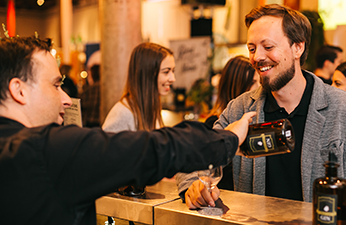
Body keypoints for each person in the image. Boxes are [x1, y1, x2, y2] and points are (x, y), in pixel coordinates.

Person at [0, 36, 255, 225]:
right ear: (19, 90)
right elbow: (154, 148)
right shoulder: (44, 149)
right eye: (56, 85)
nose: (66, 99)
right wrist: (228, 138)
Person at [176, 4, 346, 209]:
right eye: (252, 48)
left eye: (268, 47)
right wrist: (193, 185)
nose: (257, 57)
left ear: (298, 48)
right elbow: (196, 157)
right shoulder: (239, 109)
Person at [102, 42, 176, 193]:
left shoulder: (150, 108)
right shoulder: (124, 113)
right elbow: (105, 166)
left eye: (173, 71)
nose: (172, 78)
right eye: (166, 71)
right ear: (148, 73)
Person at [201, 55, 260, 191]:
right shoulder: (215, 124)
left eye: (259, 82)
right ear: (236, 85)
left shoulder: (254, 119)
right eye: (252, 82)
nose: (258, 88)